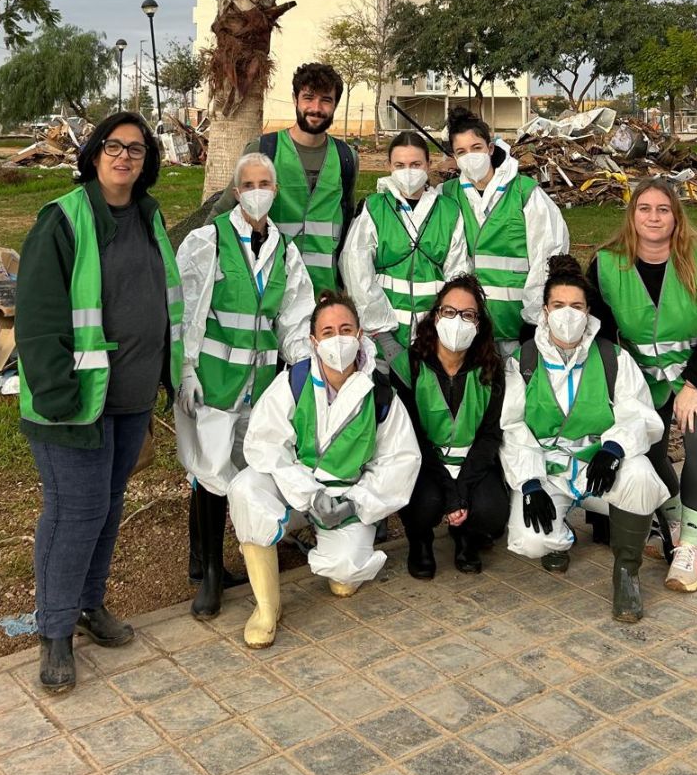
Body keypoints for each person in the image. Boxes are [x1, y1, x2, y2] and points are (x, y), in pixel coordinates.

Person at [16, 112, 184, 693]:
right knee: (74, 513)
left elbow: (161, 299)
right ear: (92, 155)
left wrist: (166, 374)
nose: (124, 157)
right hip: (74, 405)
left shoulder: (148, 215)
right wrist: (58, 396)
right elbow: (38, 318)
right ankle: (55, 630)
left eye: (136, 150)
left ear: (147, 161)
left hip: (130, 399)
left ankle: (89, 605)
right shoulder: (62, 221)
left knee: (108, 507)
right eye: (113, 146)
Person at [227, 291, 420, 648]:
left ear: (360, 335)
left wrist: (356, 503)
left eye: (346, 329)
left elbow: (400, 461)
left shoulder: (379, 394)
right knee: (245, 489)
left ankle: (330, 543)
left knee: (345, 578)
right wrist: (308, 493)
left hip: (346, 498)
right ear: (314, 341)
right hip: (296, 490)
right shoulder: (295, 381)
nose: (338, 339)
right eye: (328, 332)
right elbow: (263, 443)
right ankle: (267, 608)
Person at [174, 152, 315, 620]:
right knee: (210, 475)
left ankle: (210, 561)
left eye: (265, 183)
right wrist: (186, 369)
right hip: (213, 381)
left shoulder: (284, 251)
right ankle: (211, 575)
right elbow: (188, 312)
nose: (257, 190)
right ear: (236, 192)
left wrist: (300, 373)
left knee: (243, 472)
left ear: (275, 191)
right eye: (248, 183)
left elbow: (294, 318)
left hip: (259, 386)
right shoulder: (207, 242)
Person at [587, 178, 697, 593]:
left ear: (676, 217)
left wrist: (694, 385)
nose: (653, 217)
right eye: (644, 209)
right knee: (646, 448)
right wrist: (615, 383)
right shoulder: (606, 264)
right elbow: (600, 331)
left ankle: (690, 545)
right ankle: (674, 522)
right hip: (642, 375)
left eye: (663, 210)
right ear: (632, 216)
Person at [501, 255, 668, 622]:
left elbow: (638, 411)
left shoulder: (612, 357)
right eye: (558, 305)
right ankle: (560, 536)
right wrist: (529, 483)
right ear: (544, 310)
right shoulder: (523, 362)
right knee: (531, 541)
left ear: (588, 310)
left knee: (639, 475)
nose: (567, 314)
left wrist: (615, 447)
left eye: (576, 306)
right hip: (549, 471)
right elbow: (513, 427)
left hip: (598, 468)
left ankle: (627, 572)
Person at [390, 275, 510, 578]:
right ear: (435, 315)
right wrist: (449, 490)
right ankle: (420, 542)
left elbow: (489, 435)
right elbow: (411, 437)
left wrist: (463, 489)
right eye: (449, 312)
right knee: (424, 502)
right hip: (424, 463)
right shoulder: (409, 366)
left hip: (472, 463)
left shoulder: (491, 369)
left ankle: (466, 536)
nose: (457, 321)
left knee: (493, 512)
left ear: (479, 323)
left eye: (468, 315)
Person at [214, 63, 359, 295]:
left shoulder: (346, 158)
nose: (316, 108)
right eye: (308, 98)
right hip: (271, 286)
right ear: (295, 99)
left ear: (335, 105)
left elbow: (349, 219)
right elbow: (224, 208)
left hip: (323, 292)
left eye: (326, 100)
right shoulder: (264, 149)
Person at [439, 107, 569, 354]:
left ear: (490, 148)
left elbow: (548, 255)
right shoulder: (447, 195)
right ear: (454, 157)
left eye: (476, 148)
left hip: (516, 326)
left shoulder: (525, 193)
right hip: (467, 328)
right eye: (461, 152)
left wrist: (533, 318)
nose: (470, 156)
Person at [340, 131, 468, 365]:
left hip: (436, 339)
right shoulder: (375, 208)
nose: (408, 171)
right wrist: (383, 334)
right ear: (388, 165)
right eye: (400, 164)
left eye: (416, 164)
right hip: (383, 340)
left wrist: (443, 327)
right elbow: (356, 270)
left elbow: (458, 273)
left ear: (428, 164)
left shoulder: (449, 211)